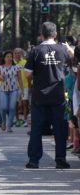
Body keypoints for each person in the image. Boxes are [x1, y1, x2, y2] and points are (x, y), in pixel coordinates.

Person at [24, 22, 74, 169]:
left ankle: (34, 160)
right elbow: (73, 62)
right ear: (55, 34)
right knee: (60, 128)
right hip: (58, 94)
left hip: (39, 95)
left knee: (37, 129)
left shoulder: (35, 50)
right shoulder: (62, 49)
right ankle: (60, 159)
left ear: (41, 34)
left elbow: (27, 73)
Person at [0, 50, 24, 132]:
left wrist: (22, 90)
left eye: (11, 56)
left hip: (14, 90)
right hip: (3, 90)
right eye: (7, 56)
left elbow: (20, 79)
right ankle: (3, 121)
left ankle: (9, 126)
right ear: (4, 58)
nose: (9, 58)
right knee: (3, 108)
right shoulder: (0, 68)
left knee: (12, 108)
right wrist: (0, 78)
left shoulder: (16, 67)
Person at [13, 48, 29, 126]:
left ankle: (25, 120)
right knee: (15, 104)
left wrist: (30, 84)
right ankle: (17, 120)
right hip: (14, 86)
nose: (17, 54)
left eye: (19, 53)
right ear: (13, 54)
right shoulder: (12, 62)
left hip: (25, 85)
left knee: (25, 103)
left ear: (22, 54)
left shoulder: (25, 62)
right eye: (16, 53)